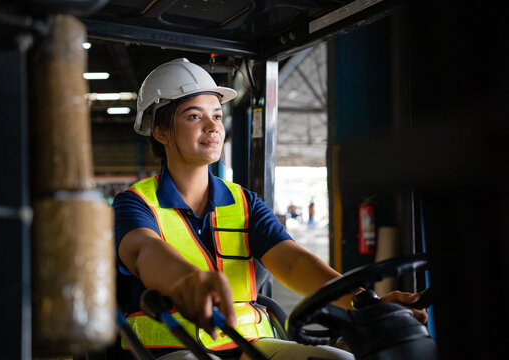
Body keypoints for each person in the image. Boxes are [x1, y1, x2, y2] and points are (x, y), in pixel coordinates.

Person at [113, 58, 427, 360]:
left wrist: (365, 302)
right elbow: (144, 251)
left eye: (217, 116)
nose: (213, 126)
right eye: (194, 116)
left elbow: (292, 263)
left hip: (250, 345)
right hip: (171, 349)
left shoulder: (245, 202)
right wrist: (186, 281)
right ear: (161, 131)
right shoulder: (136, 203)